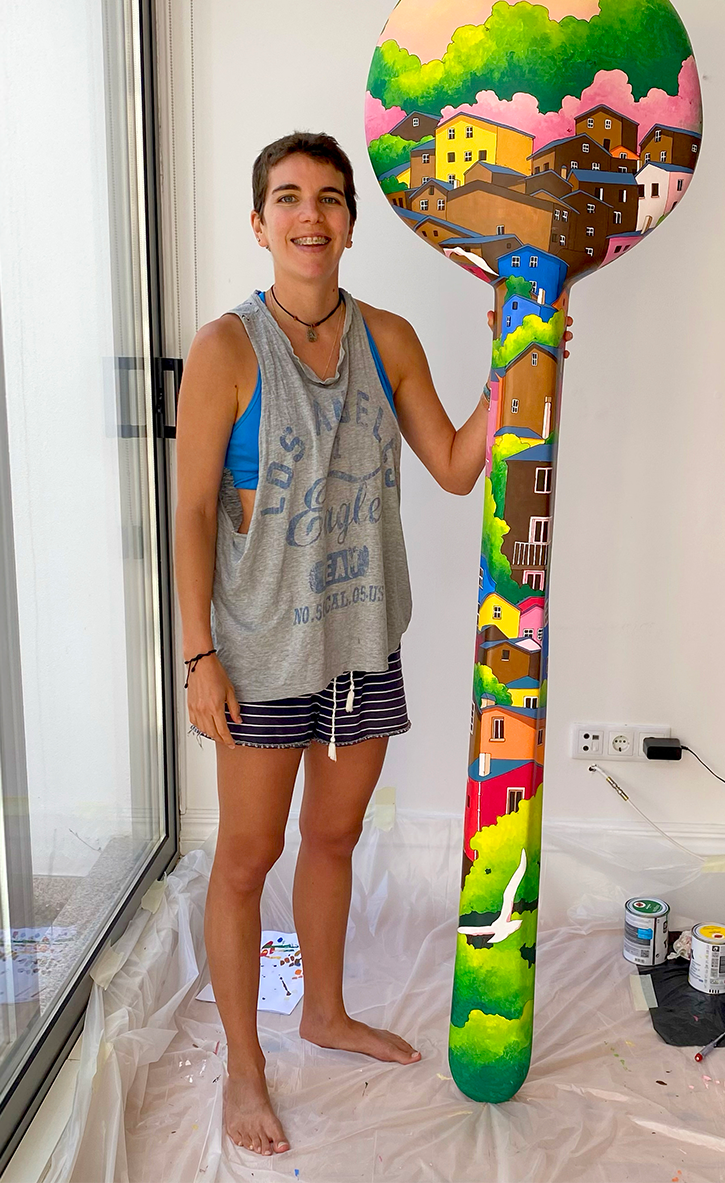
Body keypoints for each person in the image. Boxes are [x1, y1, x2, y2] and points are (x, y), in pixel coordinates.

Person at [174, 131, 567, 1157]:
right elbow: (191, 510)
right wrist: (195, 655)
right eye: (290, 197)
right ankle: (243, 1070)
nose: (312, 215)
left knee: (337, 840)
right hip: (257, 652)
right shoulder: (225, 348)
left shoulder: (386, 339)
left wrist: (516, 354)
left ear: (351, 222)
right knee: (245, 859)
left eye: (331, 198)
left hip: (360, 644)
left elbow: (449, 461)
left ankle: (324, 1011)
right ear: (259, 223)